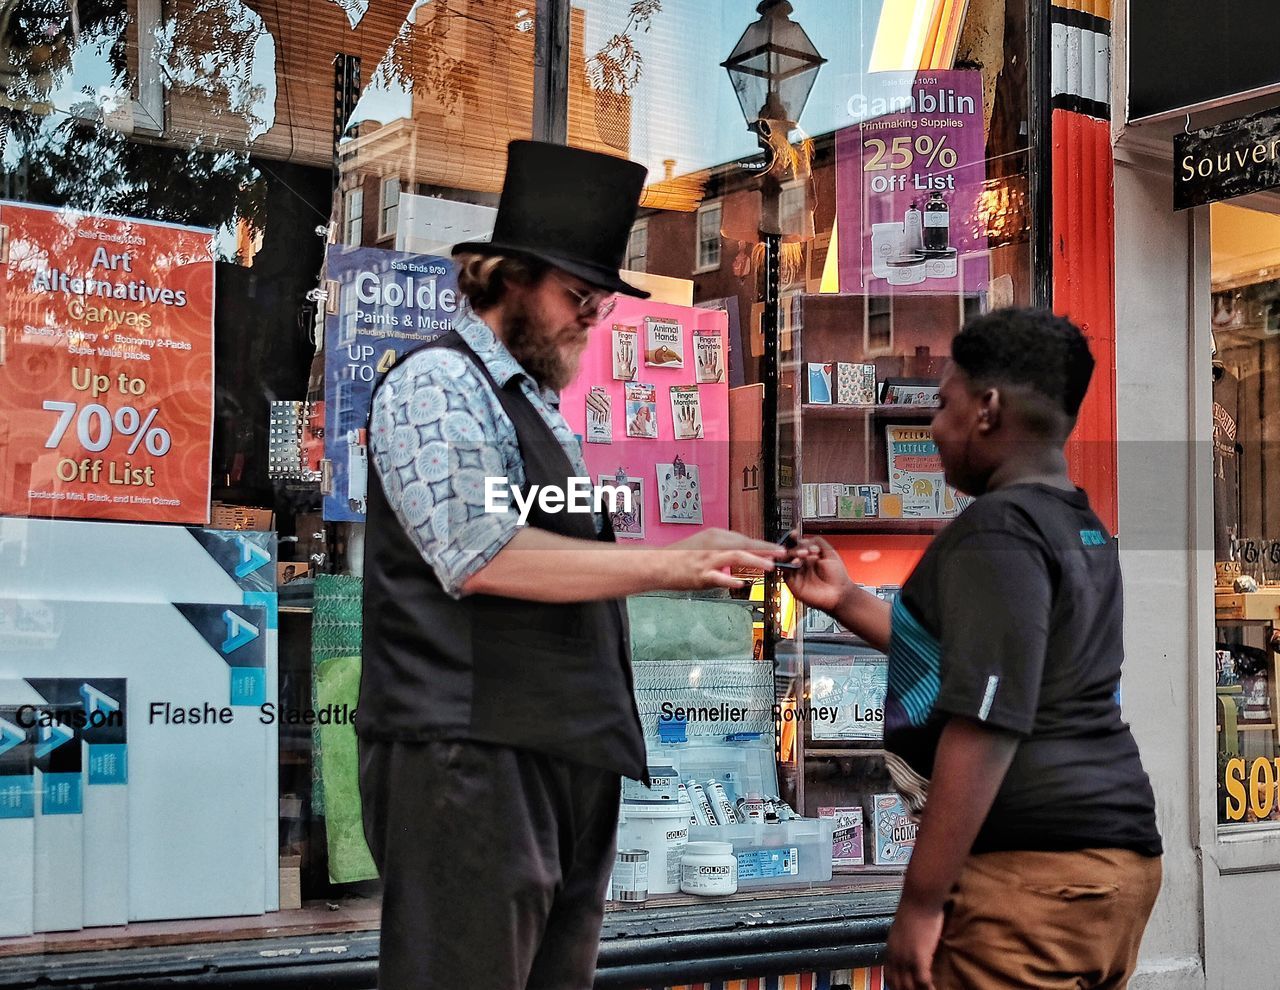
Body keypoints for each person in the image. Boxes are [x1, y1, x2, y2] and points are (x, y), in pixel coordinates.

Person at [356, 140, 786, 990]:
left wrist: (681, 552)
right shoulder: (437, 383)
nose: (592, 317)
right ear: (506, 277)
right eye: (576, 297)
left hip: (556, 760)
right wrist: (666, 566)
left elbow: (555, 552)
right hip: (469, 760)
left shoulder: (531, 404)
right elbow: (479, 554)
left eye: (599, 302)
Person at [785, 308, 1163, 990]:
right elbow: (989, 662)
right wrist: (845, 600)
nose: (932, 426)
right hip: (1107, 862)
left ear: (986, 409)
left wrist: (922, 901)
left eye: (943, 403)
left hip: (1027, 877)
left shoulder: (997, 531)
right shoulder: (1076, 523)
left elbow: (987, 718)